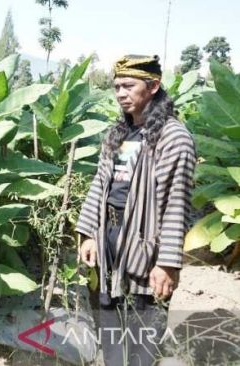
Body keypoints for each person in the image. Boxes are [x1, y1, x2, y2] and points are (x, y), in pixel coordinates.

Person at [76, 55, 196, 365]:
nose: (120, 93)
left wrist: (168, 263)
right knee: (110, 319)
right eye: (116, 87)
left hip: (147, 243)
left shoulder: (173, 138)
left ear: (153, 86)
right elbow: (99, 184)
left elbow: (176, 205)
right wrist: (89, 233)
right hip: (110, 238)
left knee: (145, 325)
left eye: (129, 85)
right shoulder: (118, 133)